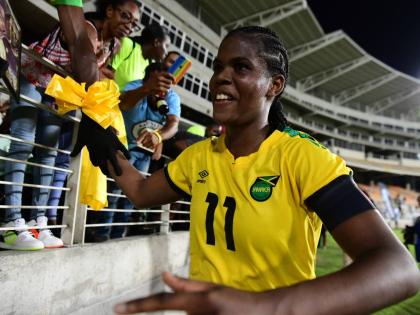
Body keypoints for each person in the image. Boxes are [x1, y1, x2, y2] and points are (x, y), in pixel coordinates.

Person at [69, 25, 420, 314]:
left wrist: (260, 306)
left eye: (240, 68)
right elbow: (141, 192)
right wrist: (106, 144)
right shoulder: (199, 157)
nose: (220, 77)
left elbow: (399, 270)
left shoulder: (303, 157)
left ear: (275, 85)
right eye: (219, 67)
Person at [89, 62, 180, 241]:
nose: (160, 92)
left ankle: (118, 236)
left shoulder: (171, 96)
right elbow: (122, 104)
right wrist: (146, 89)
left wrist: (159, 137)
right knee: (114, 191)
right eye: (158, 83)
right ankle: (102, 233)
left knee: (133, 197)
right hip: (124, 149)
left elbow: (173, 124)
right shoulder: (135, 86)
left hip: (145, 153)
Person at [111, 23, 171, 91]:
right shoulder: (128, 45)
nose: (167, 52)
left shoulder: (150, 64)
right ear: (156, 42)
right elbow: (107, 73)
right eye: (166, 46)